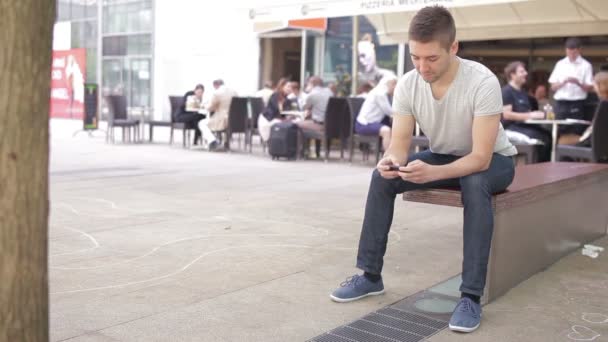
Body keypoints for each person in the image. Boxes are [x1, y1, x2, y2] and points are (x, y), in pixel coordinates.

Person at [330, 5, 517, 334]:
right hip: (445, 155)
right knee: (381, 178)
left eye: (431, 58)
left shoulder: (483, 82)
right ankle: (370, 276)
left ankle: (470, 296)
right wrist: (391, 162)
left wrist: (432, 174)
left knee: (474, 182)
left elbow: (480, 159)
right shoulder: (408, 83)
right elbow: (399, 144)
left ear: (453, 47)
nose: (422, 66)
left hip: (493, 161)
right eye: (415, 57)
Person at [501, 61, 552, 162]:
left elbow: (527, 112)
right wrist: (530, 115)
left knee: (548, 135)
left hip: (524, 126)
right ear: (512, 75)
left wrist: (539, 115)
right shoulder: (506, 92)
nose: (526, 73)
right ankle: (534, 168)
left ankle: (545, 167)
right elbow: (507, 115)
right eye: (522, 71)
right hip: (511, 127)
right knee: (540, 137)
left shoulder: (523, 93)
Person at [548, 37, 594, 144]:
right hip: (560, 103)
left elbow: (590, 87)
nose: (571, 56)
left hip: (577, 103)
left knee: (576, 129)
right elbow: (552, 86)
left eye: (574, 53)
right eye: (569, 53)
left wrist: (578, 82)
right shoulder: (560, 64)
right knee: (558, 129)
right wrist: (563, 82)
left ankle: (573, 155)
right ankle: (556, 154)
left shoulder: (586, 65)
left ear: (579, 50)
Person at [355, 74, 397, 152]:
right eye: (393, 84)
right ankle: (388, 158)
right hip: (364, 124)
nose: (395, 86)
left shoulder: (387, 95)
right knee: (386, 131)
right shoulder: (379, 94)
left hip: (373, 122)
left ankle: (395, 154)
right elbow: (389, 111)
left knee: (395, 129)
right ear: (386, 84)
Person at [198, 79, 237, 150]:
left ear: (215, 85)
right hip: (235, 120)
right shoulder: (234, 92)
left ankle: (212, 141)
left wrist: (204, 106)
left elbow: (210, 108)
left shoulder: (217, 93)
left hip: (222, 120)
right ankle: (225, 142)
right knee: (210, 120)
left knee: (202, 123)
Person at [578, 71, 608, 146]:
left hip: (596, 143)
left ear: (598, 86)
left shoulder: (602, 105)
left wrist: (582, 138)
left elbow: (595, 127)